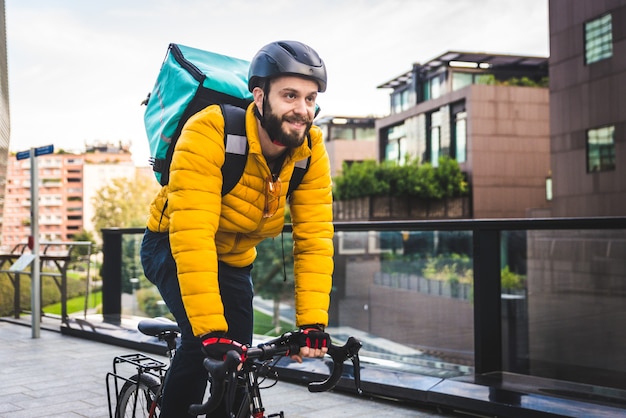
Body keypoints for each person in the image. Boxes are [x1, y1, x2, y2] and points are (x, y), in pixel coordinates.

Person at [140, 40, 334, 418]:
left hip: (232, 258)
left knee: (239, 363)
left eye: (311, 99)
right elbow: (192, 235)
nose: (302, 110)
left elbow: (315, 239)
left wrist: (312, 323)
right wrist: (211, 329)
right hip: (172, 244)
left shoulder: (310, 151)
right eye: (290, 95)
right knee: (203, 345)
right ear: (259, 96)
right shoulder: (210, 129)